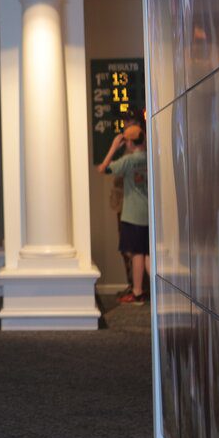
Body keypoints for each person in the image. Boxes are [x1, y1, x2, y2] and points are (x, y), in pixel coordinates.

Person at [97, 124, 149, 305]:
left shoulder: (128, 161)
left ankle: (137, 293)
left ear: (129, 142)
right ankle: (158, 291)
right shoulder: (149, 158)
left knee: (136, 253)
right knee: (147, 254)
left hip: (133, 214)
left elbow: (103, 168)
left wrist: (112, 148)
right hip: (149, 214)